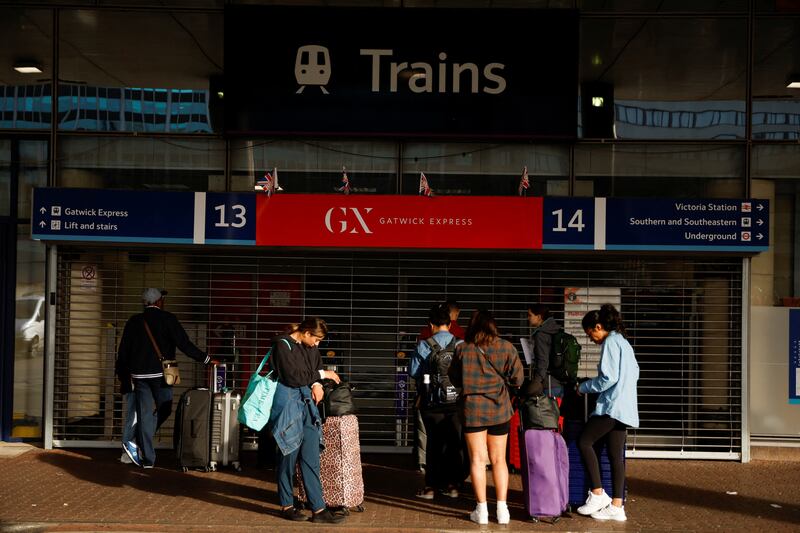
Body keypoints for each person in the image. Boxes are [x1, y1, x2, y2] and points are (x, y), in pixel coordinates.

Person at [116, 288, 214, 468]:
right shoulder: (168, 319)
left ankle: (147, 459)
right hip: (161, 375)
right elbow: (185, 344)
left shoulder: (134, 321)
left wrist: (123, 375)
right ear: (159, 302)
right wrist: (206, 359)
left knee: (144, 415)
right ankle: (140, 443)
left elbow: (123, 351)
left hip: (138, 376)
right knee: (165, 408)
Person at [447, 309, 524, 525]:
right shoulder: (507, 347)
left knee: (478, 460)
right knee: (499, 460)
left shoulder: (463, 349)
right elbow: (518, 378)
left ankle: (481, 510)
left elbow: (454, 378)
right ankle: (502, 510)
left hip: (472, 410)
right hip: (500, 408)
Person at [268, 317, 345, 524]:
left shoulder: (310, 348)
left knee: (311, 457)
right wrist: (321, 375)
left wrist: (317, 383)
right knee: (288, 455)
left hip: (308, 406)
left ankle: (318, 509)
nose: (317, 344)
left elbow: (313, 371)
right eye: (316, 339)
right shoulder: (282, 345)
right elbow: (292, 376)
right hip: (289, 407)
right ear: (307, 332)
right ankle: (286, 505)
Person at [575, 304, 639, 522]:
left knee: (584, 441)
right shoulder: (624, 343)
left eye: (590, 333)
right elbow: (635, 373)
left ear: (598, 326)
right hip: (626, 408)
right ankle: (617, 506)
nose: (591, 338)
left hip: (612, 406)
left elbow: (608, 378)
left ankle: (597, 493)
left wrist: (582, 387)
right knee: (615, 457)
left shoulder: (611, 342)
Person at [409, 303, 467, 500]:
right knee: (455, 443)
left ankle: (431, 487)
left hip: (431, 403)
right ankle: (453, 486)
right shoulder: (460, 345)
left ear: (430, 324)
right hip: (456, 403)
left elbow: (413, 372)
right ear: (450, 324)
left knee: (434, 443)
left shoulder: (424, 345)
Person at [526, 303, 564, 398]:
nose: (528, 318)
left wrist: (536, 382)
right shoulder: (556, 330)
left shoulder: (541, 335)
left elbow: (543, 361)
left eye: (530, 315)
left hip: (548, 385)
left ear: (539, 317)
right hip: (559, 383)